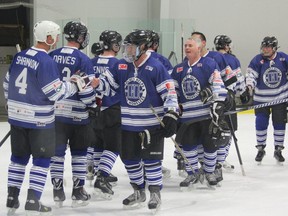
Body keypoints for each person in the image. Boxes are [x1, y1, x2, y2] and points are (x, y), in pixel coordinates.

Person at [91, 29, 179, 212]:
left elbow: (169, 92)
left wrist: (171, 114)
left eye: (132, 47)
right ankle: (139, 191)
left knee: (151, 162)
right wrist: (97, 84)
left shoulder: (156, 67)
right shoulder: (121, 66)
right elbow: (108, 87)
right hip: (128, 125)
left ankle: (155, 193)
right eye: (127, 47)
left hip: (151, 126)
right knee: (130, 160)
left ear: (144, 47)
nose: (128, 51)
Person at [3, 20, 84, 215]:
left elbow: (7, 85)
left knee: (18, 158)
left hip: (16, 118)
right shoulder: (46, 60)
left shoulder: (19, 56)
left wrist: (16, 107)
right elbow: (54, 93)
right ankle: (33, 201)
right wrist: (75, 85)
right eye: (55, 35)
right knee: (41, 159)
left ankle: (12, 199)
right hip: (39, 120)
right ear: (48, 38)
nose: (56, 39)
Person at [49, 21, 96, 208]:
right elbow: (86, 91)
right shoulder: (84, 60)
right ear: (81, 38)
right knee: (79, 153)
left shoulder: (51, 55)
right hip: (78, 116)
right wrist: (92, 104)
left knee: (57, 154)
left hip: (55, 115)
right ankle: (78, 191)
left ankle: (57, 190)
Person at [171, 37, 229, 188]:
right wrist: (173, 104)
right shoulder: (178, 69)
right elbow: (173, 91)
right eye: (186, 45)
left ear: (198, 48)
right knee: (188, 146)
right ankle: (192, 174)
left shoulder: (208, 64)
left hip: (205, 115)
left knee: (209, 145)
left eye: (190, 45)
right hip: (187, 117)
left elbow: (218, 84)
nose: (187, 48)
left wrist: (218, 102)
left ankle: (209, 172)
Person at [190, 32, 236, 184]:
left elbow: (230, 77)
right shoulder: (189, 59)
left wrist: (224, 94)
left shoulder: (217, 57)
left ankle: (217, 165)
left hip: (219, 103)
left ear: (203, 43)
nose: (192, 42)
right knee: (203, 138)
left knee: (219, 134)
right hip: (201, 107)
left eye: (195, 40)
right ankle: (205, 166)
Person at [242, 36, 288, 164]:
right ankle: (261, 148)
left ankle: (278, 149)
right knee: (261, 123)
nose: (265, 49)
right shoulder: (257, 60)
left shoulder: (284, 58)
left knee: (279, 124)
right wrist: (248, 87)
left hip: (280, 99)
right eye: (264, 47)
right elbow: (251, 75)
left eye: (268, 47)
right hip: (261, 100)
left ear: (274, 48)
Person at [89, 30, 122, 199]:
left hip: (93, 110)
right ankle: (102, 176)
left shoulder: (90, 61)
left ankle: (100, 172)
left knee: (98, 143)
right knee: (113, 146)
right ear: (115, 45)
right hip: (112, 109)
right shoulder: (118, 63)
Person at [213, 35, 246, 174]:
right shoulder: (233, 59)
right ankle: (221, 159)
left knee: (215, 128)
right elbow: (237, 79)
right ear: (226, 46)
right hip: (228, 98)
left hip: (214, 98)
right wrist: (243, 92)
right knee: (229, 130)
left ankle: (212, 159)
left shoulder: (211, 56)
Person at [145, 29, 174, 179]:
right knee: (155, 134)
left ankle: (140, 163)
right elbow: (171, 83)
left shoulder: (133, 58)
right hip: (157, 105)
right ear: (155, 44)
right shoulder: (161, 60)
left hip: (134, 107)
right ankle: (154, 162)